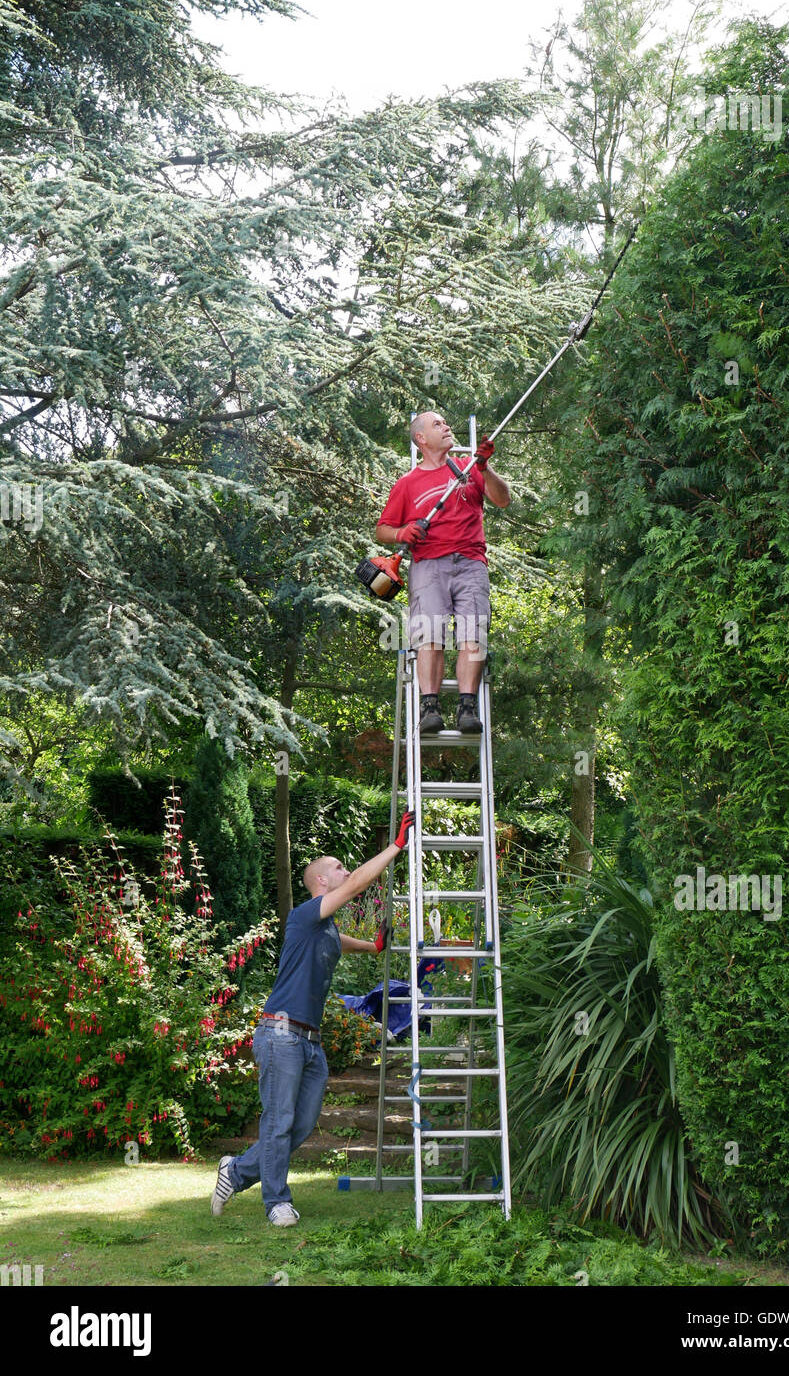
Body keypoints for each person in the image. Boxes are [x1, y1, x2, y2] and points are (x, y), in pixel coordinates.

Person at [210, 809, 415, 1226]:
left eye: (344, 867)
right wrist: (396, 846)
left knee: (299, 1126)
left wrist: (377, 946)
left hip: (310, 1044)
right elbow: (360, 882)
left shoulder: (327, 932)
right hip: (280, 1034)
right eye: (338, 867)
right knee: (280, 1121)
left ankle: (236, 1171)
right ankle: (276, 1203)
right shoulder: (305, 916)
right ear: (321, 881)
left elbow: (356, 945)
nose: (346, 870)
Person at [375, 410, 510, 734]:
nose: (447, 426)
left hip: (471, 564)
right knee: (430, 637)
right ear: (421, 438)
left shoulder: (468, 469)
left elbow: (503, 499)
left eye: (446, 422)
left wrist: (484, 467)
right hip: (428, 566)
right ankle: (430, 708)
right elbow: (382, 529)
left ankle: (467, 707)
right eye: (438, 424)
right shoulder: (408, 484)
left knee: (472, 636)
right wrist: (403, 533)